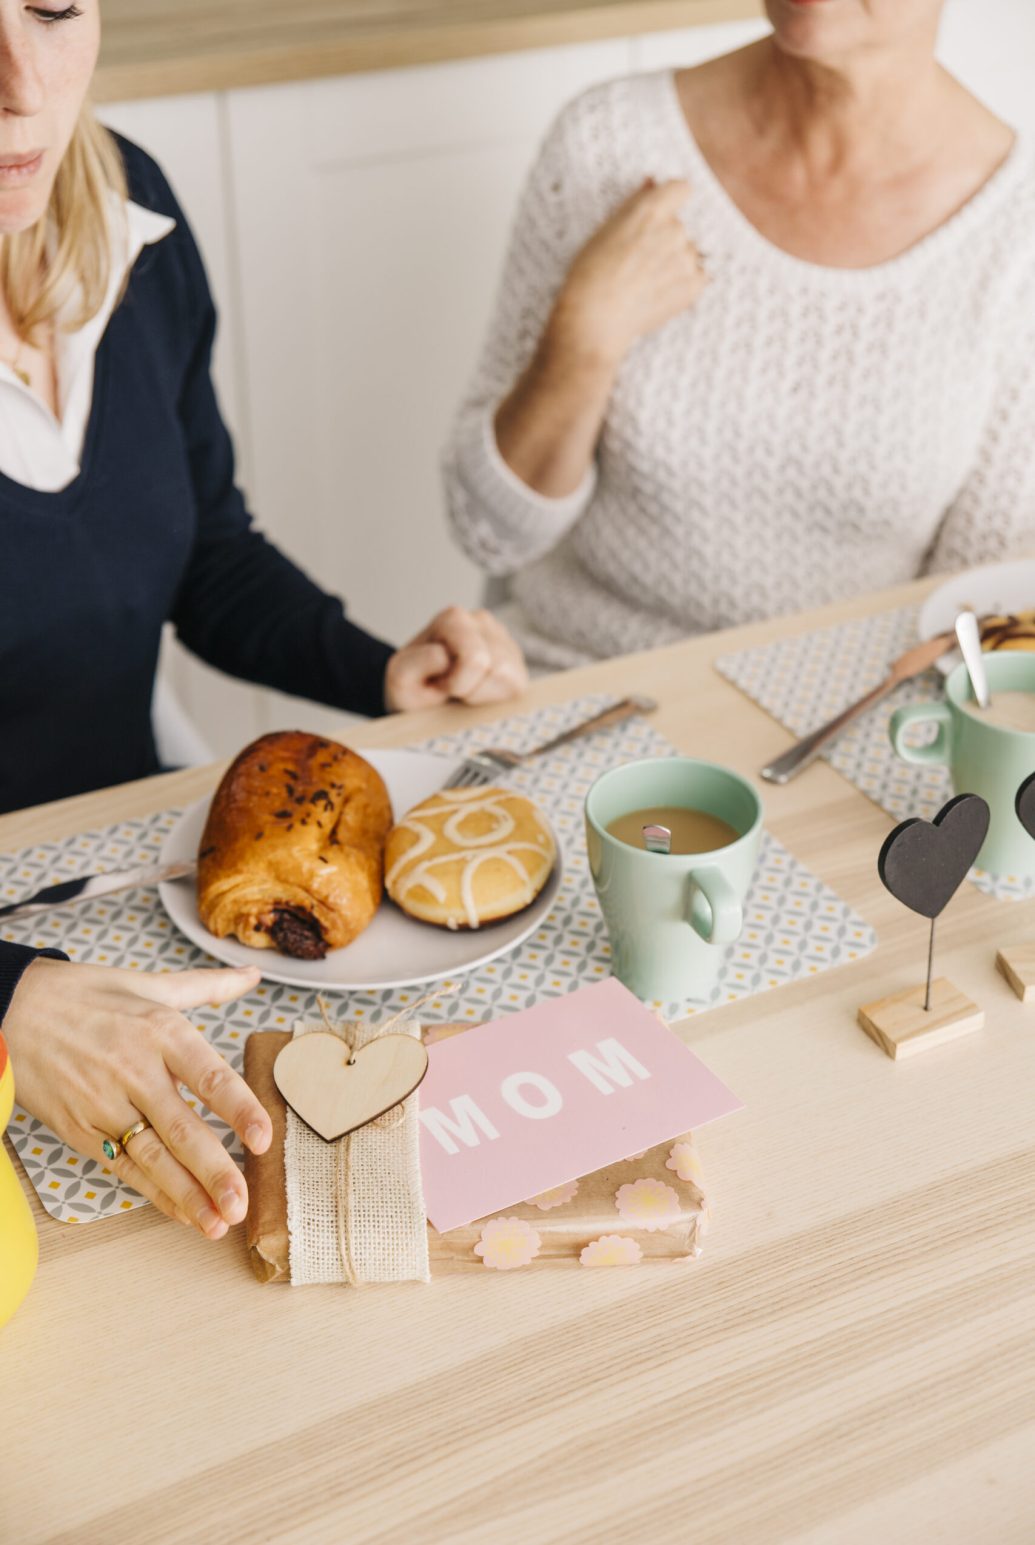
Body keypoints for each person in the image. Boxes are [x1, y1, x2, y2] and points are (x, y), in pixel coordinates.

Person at [0, 1, 526, 1239]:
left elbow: (207, 559)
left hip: (125, 893)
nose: (17, 82)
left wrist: (382, 670)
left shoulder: (135, 217)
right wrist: (13, 1001)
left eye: (52, 7)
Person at [444, 0, 1035, 670]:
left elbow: (973, 628)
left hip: (841, 720)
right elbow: (486, 532)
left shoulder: (1018, 232)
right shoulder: (608, 140)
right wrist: (582, 335)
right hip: (569, 680)